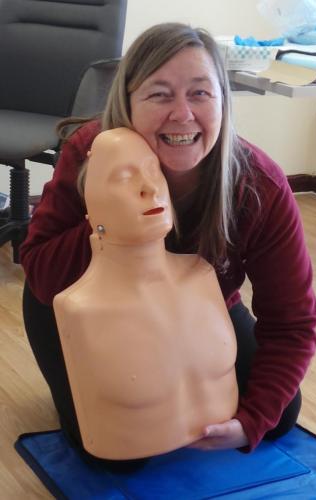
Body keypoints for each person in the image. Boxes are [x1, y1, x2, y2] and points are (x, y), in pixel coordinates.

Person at [20, 22, 316, 456]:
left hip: (193, 308)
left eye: (200, 93)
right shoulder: (91, 151)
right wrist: (108, 220)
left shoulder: (258, 186)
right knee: (117, 455)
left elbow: (293, 322)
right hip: (81, 307)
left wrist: (250, 420)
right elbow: (43, 274)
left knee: (279, 415)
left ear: (223, 101)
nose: (182, 114)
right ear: (127, 102)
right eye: (159, 94)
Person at [53, 127, 238, 460]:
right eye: (124, 178)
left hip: (216, 419)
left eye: (155, 173)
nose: (150, 189)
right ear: (92, 208)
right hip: (121, 443)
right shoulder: (81, 309)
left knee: (280, 417)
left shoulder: (202, 273)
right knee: (122, 467)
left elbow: (295, 317)